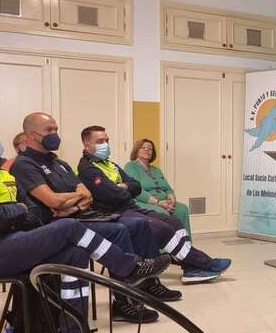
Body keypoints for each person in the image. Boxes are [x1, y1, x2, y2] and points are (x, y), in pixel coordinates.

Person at [0, 122, 170, 330]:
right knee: (68, 227)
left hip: (14, 239)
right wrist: (19, 210)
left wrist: (18, 211)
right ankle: (128, 267)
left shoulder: (1, 172)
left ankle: (75, 327)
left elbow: (33, 212)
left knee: (75, 254)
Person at [9, 113, 181, 319]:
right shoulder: (25, 164)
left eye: (56, 129)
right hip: (55, 226)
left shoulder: (60, 163)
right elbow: (53, 202)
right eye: (48, 130)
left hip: (78, 216)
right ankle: (127, 290)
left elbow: (87, 195)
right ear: (30, 135)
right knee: (120, 230)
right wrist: (71, 199)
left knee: (133, 226)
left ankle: (139, 287)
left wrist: (68, 201)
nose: (54, 134)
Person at [77, 126, 231, 283]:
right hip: (115, 212)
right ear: (87, 145)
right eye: (100, 141)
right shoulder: (86, 169)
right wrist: (123, 188)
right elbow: (113, 194)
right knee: (162, 228)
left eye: (107, 140)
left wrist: (122, 187)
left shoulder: (111, 164)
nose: (106, 144)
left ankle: (190, 268)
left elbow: (135, 186)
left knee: (174, 221)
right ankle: (204, 263)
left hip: (130, 206)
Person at [124, 139, 191, 236]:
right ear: (136, 150)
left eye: (150, 149)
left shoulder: (156, 170)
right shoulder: (130, 166)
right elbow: (136, 190)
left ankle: (184, 244)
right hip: (143, 202)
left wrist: (171, 198)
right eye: (143, 147)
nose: (147, 150)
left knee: (182, 209)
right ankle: (165, 246)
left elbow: (167, 188)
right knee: (161, 212)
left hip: (163, 201)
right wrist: (158, 202)